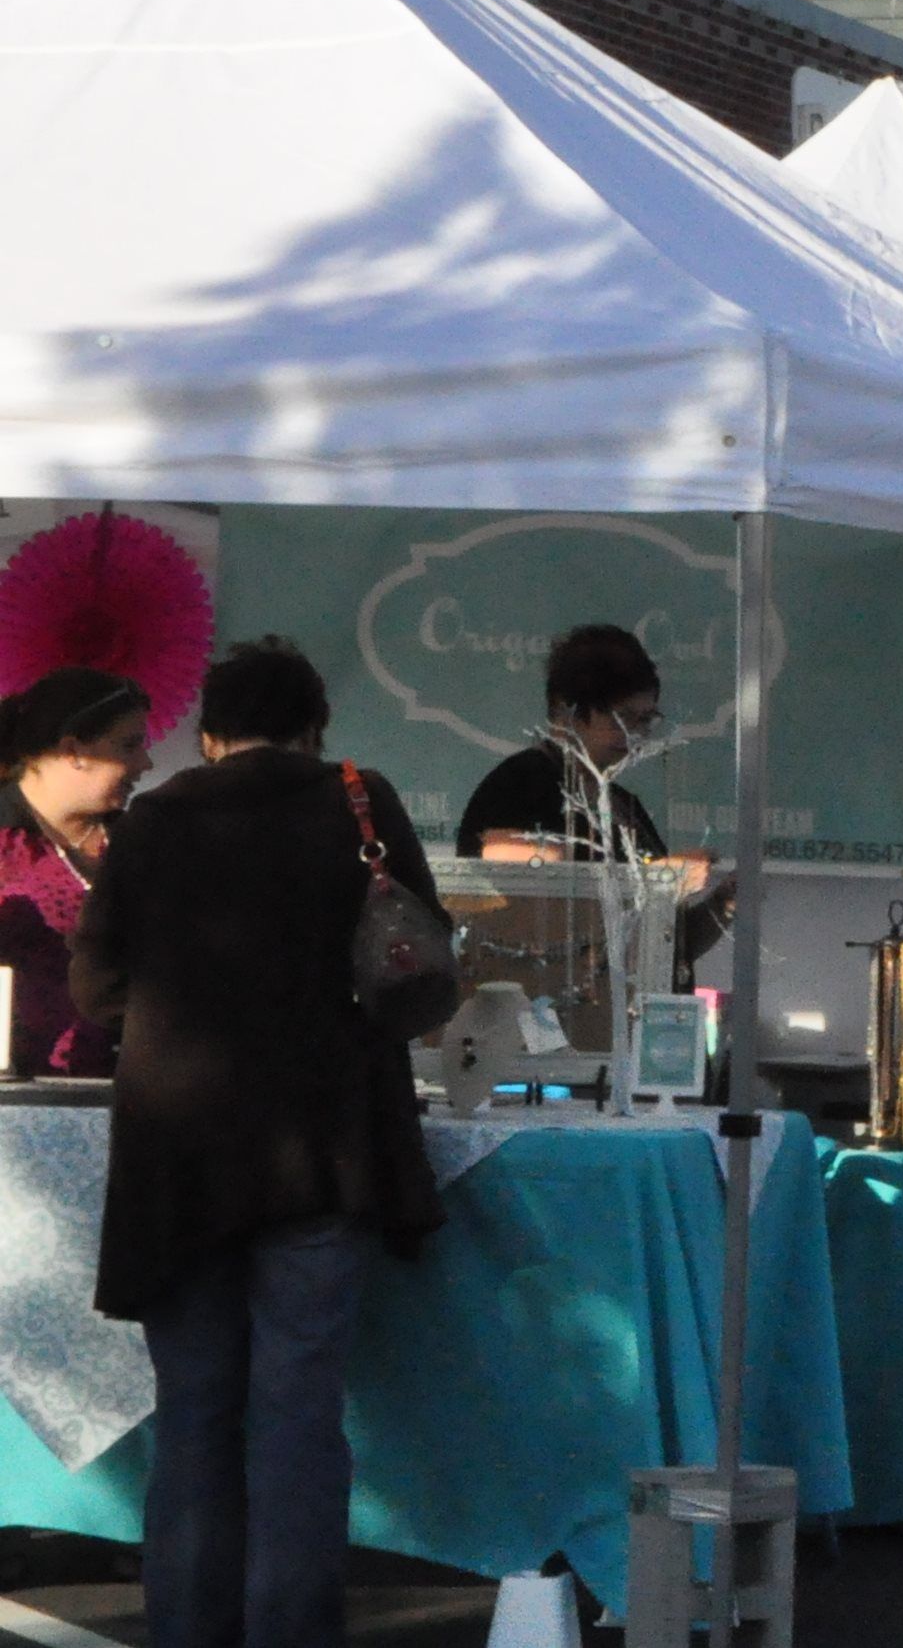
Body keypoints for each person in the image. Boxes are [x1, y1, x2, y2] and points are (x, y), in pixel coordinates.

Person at [72, 638, 448, 1647]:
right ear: (317, 729)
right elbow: (421, 976)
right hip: (320, 1154)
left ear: (208, 732)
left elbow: (98, 985)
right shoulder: (360, 801)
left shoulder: (152, 818)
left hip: (179, 1161)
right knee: (298, 1416)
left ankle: (186, 1631)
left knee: (193, 1418)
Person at [455, 623, 730, 986]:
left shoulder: (622, 804)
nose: (636, 736)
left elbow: (667, 951)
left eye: (646, 720)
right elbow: (519, 906)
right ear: (566, 710)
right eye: (621, 719)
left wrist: (721, 907)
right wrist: (657, 882)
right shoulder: (521, 783)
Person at [0, 667, 152, 1078]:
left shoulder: (140, 842)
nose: (145, 762)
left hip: (132, 1091)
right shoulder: (5, 842)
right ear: (73, 751)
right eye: (129, 745)